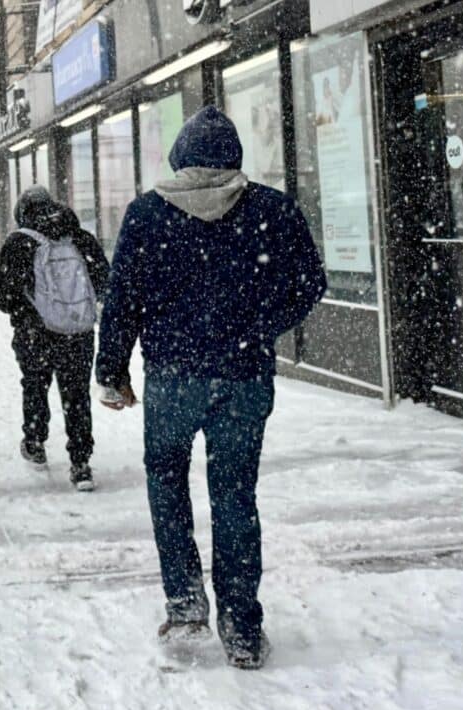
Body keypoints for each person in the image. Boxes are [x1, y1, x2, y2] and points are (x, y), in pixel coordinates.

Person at [96, 105, 326, 669]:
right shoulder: (271, 209)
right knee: (235, 494)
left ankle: (185, 604)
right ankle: (242, 627)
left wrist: (112, 370)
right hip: (243, 379)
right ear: (234, 156)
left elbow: (122, 298)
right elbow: (309, 284)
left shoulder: (147, 214)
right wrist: (259, 326)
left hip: (172, 378)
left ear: (180, 158)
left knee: (166, 481)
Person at [0, 186, 110, 490]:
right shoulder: (80, 238)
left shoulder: (19, 242)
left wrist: (28, 312)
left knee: (35, 384)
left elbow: (4, 297)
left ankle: (35, 441)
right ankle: (81, 464)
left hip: (35, 332)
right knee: (77, 395)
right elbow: (104, 281)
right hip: (78, 331)